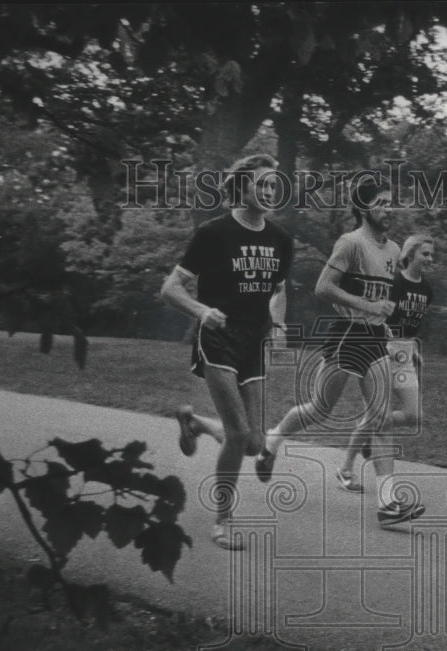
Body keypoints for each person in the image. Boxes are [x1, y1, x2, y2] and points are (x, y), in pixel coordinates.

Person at [255, 176, 426, 526]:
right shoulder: (350, 243)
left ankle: (388, 503)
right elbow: (323, 288)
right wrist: (363, 303)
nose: (389, 208)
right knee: (319, 408)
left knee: (380, 418)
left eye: (391, 201)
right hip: (346, 335)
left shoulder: (393, 250)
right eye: (381, 202)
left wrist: (389, 325)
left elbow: (380, 302)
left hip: (376, 339)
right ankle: (273, 439)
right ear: (364, 208)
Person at [160, 153, 293, 550]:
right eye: (262, 184)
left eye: (273, 185)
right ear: (242, 187)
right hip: (217, 338)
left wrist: (280, 326)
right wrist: (203, 311)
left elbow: (279, 290)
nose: (269, 192)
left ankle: (195, 423)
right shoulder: (214, 233)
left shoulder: (281, 239)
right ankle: (223, 522)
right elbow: (170, 289)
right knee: (238, 433)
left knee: (252, 443)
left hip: (253, 342)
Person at [335, 234, 435, 492]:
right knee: (374, 415)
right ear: (410, 254)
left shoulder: (427, 289)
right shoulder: (395, 282)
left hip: (403, 354)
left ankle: (369, 431)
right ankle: (346, 468)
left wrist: (412, 346)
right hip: (381, 348)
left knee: (414, 415)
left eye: (432, 255)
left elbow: (414, 323)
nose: (430, 259)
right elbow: (376, 311)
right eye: (425, 254)